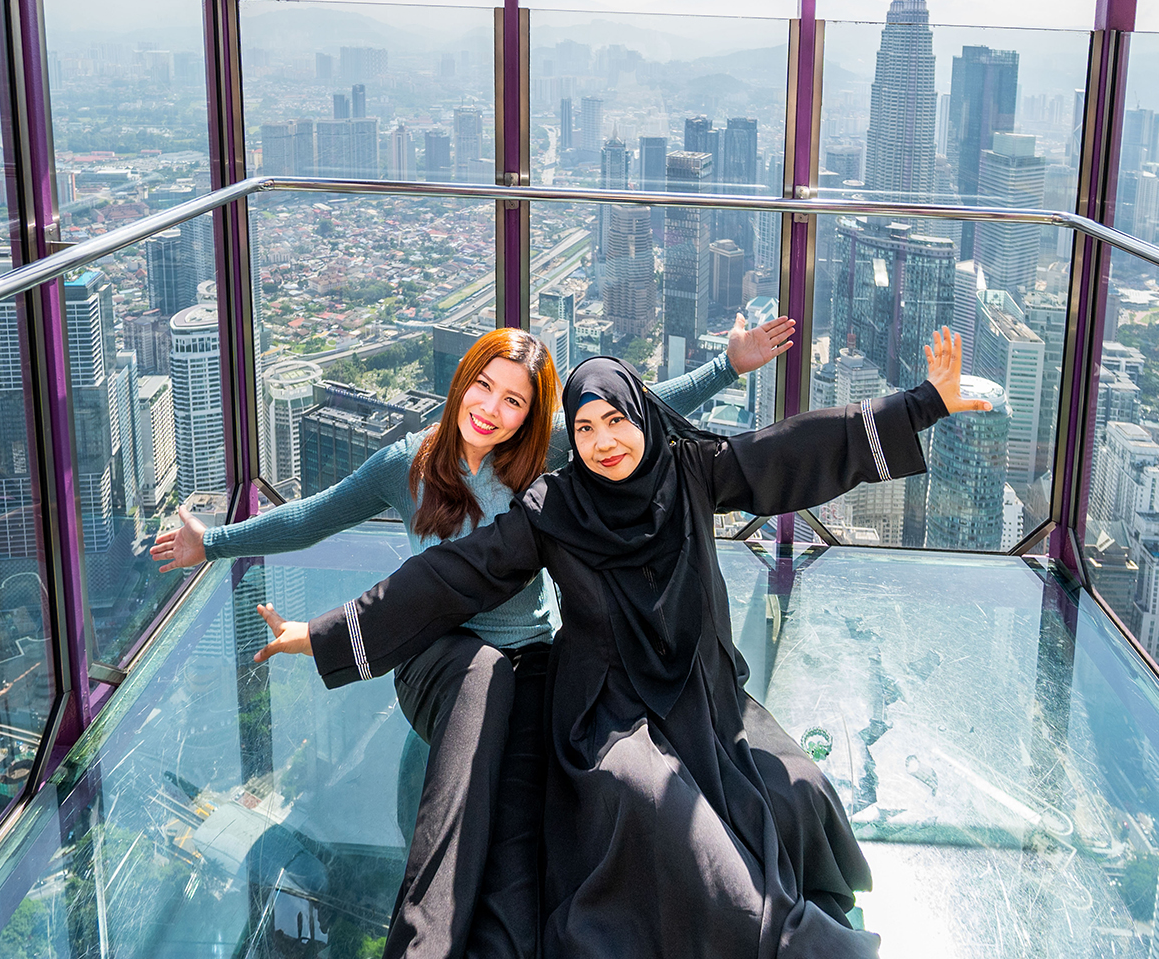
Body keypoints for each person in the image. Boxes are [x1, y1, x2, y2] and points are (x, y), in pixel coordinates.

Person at [252, 329, 987, 958]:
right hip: (604, 709)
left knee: (794, 798)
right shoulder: (555, 504)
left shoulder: (695, 471)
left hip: (701, 693)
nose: (604, 442)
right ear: (568, 438)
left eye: (617, 422)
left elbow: (790, 452)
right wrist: (320, 636)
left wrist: (925, 402)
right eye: (586, 429)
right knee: (663, 812)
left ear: (642, 416)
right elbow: (451, 575)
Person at [150, 316, 798, 959]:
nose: (493, 409)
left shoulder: (540, 454)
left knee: (550, 810)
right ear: (462, 382)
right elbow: (313, 518)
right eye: (484, 387)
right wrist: (210, 542)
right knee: (486, 715)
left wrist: (728, 365)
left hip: (533, 661)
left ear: (528, 414)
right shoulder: (402, 466)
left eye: (514, 400)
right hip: (441, 659)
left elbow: (639, 412)